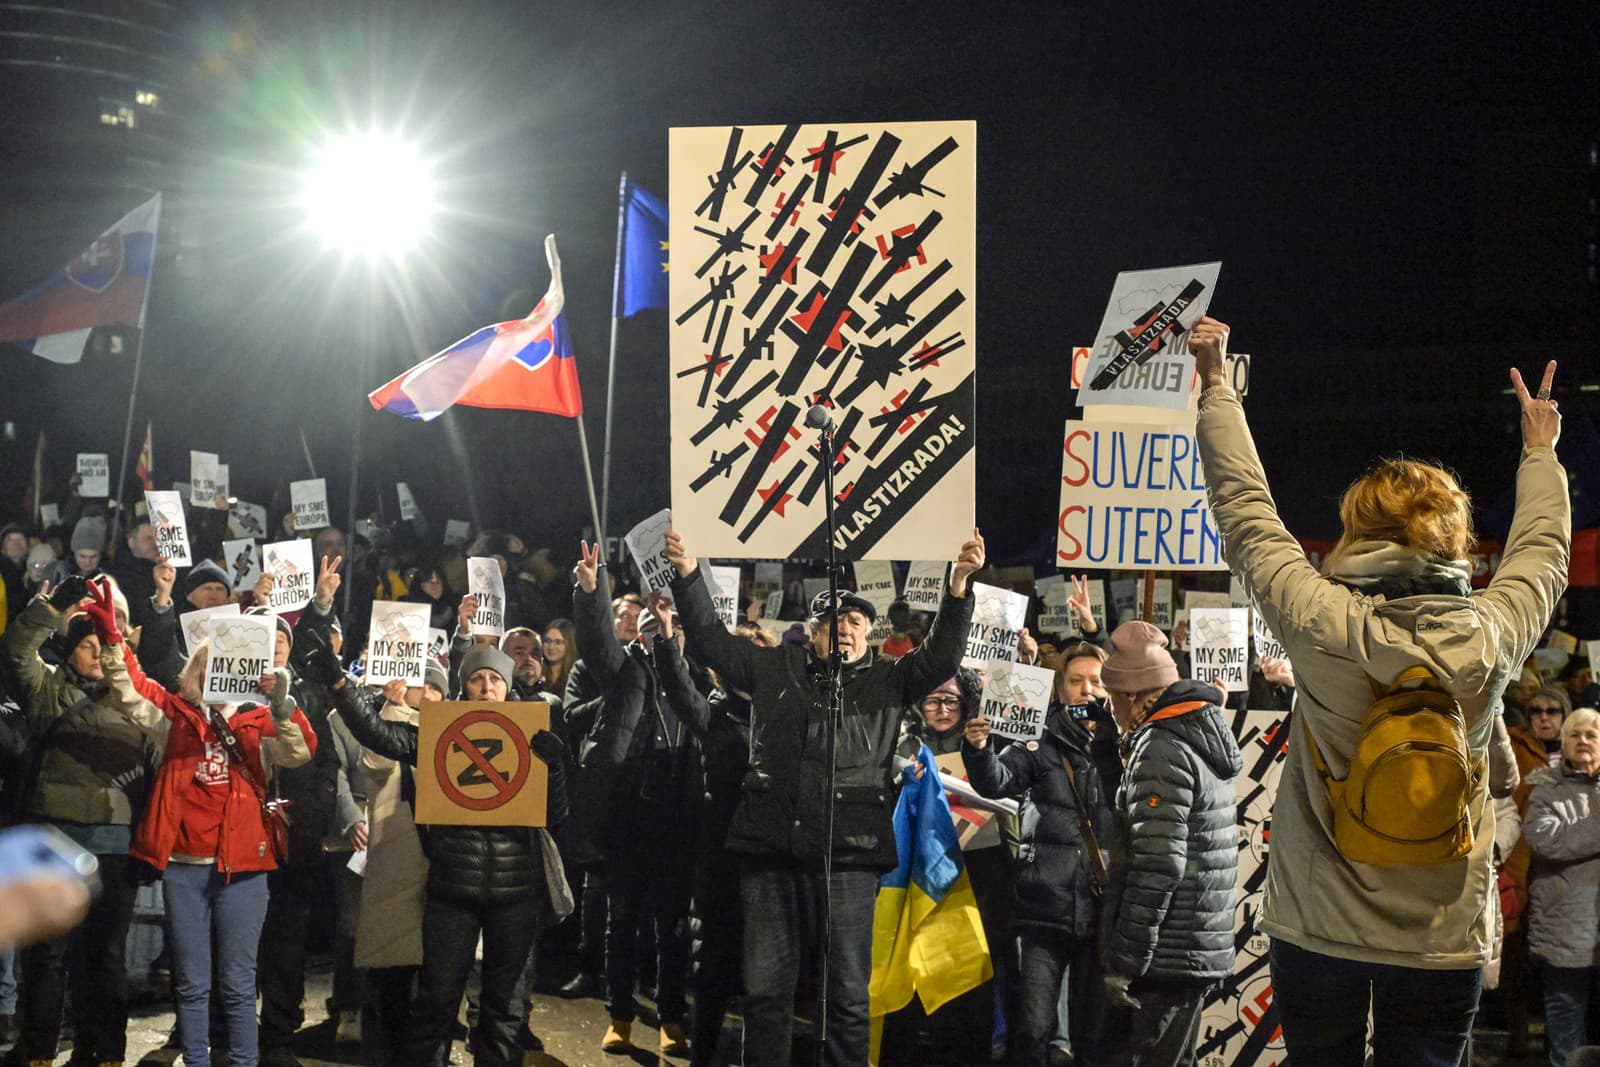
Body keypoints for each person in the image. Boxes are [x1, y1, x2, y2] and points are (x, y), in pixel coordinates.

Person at [1191, 318, 1569, 1065]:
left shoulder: (1318, 617)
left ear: (1355, 529)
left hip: (1318, 924)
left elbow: (1246, 513)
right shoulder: (1491, 636)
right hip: (1442, 932)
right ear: (1454, 541)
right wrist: (1540, 453)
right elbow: (1543, 553)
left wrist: (1215, 391)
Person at [662, 524, 984, 1067]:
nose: (845, 629)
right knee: (765, 994)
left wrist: (958, 588)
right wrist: (689, 572)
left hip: (849, 861)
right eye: (833, 621)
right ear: (811, 632)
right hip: (769, 856)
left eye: (857, 621)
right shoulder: (772, 668)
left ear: (871, 633)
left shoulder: (890, 679)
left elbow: (944, 656)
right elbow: (712, 639)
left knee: (847, 999)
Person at [327, 639, 572, 1066]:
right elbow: (380, 735)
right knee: (436, 1002)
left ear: (507, 685)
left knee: (505, 1009)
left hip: (516, 892)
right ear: (464, 686)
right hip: (452, 888)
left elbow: (557, 813)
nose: (486, 687)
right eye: (476, 678)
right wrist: (337, 682)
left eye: (495, 678)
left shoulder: (532, 731)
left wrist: (556, 768)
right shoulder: (440, 730)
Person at [114, 598, 316, 1067]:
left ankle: (244, 1062)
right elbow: (131, 687)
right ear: (194, 672)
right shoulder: (177, 717)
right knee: (191, 980)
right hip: (185, 869)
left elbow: (301, 752)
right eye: (206, 664)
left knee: (239, 982)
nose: (213, 672)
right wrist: (114, 641)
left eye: (222, 664)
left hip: (244, 870)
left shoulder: (260, 719)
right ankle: (198, 1061)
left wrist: (284, 706)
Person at [5, 576, 160, 1067]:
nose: (96, 655)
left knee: (103, 958)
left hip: (112, 846)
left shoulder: (134, 698)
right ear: (69, 649)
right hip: (54, 840)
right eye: (86, 645)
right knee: (48, 959)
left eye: (102, 646)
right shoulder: (47, 690)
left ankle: (102, 1053)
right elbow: (17, 649)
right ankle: (40, 1052)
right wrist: (52, 607)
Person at [570, 551, 701, 1057]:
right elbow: (599, 645)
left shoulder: (695, 683)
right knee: (620, 925)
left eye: (669, 625)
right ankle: (620, 1015)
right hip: (625, 822)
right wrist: (590, 594)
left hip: (676, 825)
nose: (658, 631)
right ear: (638, 636)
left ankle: (671, 1017)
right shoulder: (625, 674)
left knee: (671, 932)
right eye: (648, 625)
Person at [1097, 622, 1242, 1067]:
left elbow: (1158, 866)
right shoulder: (1192, 734)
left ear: (1134, 696)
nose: (1107, 706)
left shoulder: (1161, 747)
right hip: (1190, 942)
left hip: (1168, 953)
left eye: (1111, 696)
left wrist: (1126, 960)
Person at [963, 650, 1116, 1067]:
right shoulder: (1037, 741)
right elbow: (997, 781)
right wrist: (979, 748)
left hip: (1103, 912)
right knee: (1032, 1028)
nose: (1088, 689)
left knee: (1093, 1032)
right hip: (1043, 908)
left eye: (1097, 681)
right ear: (1060, 688)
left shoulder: (1125, 744)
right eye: (1076, 680)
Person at [1523, 706, 1600, 1067]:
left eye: (1592, 735)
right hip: (1565, 935)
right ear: (1564, 743)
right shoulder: (1545, 789)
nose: (1583, 741)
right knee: (1567, 1043)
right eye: (1575, 734)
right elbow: (1545, 841)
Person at [541, 618, 577, 698]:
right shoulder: (536, 674)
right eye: (547, 641)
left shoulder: (575, 677)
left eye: (558, 642)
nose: (551, 647)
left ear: (568, 645)